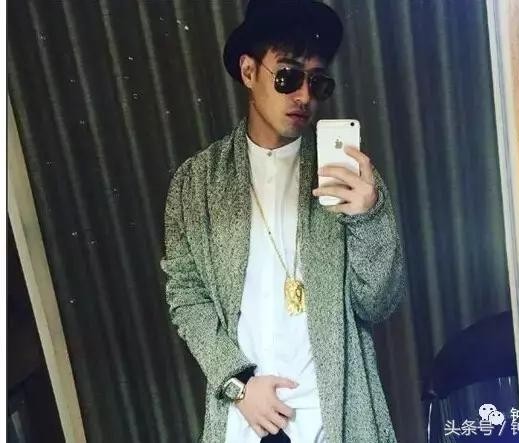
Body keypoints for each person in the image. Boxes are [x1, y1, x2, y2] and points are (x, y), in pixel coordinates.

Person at [159, 1, 405, 442]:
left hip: (336, 417)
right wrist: (237, 384)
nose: (305, 96)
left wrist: (368, 219)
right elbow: (187, 297)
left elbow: (379, 305)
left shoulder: (349, 176)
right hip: (244, 418)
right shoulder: (195, 184)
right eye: (288, 76)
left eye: (317, 82)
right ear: (248, 71)